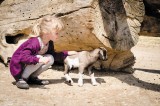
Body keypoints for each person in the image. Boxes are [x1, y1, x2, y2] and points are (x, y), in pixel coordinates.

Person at [9, 15, 77, 89]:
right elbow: (23, 57)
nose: (58, 35)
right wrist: (38, 60)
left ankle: (32, 78)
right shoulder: (34, 42)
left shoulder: (49, 43)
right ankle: (22, 79)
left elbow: (53, 55)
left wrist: (66, 53)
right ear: (46, 32)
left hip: (29, 63)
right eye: (56, 33)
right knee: (39, 57)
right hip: (18, 67)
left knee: (50, 58)